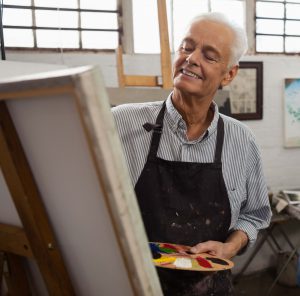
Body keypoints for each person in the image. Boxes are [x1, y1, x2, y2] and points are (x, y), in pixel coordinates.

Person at [112, 12, 272, 296]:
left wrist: (230, 246)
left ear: (229, 74)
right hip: (133, 285)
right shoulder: (119, 124)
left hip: (210, 289)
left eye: (209, 56)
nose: (191, 58)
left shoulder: (242, 141)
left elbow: (255, 215)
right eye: (187, 47)